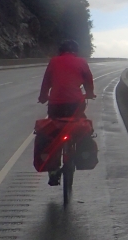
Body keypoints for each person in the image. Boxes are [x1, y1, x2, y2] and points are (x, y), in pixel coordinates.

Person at [37, 39, 96, 185]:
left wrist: (43, 97)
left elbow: (46, 82)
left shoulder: (54, 62)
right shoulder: (81, 62)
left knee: (53, 132)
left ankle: (52, 171)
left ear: (60, 51)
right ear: (75, 51)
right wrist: (89, 93)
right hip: (75, 104)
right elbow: (89, 80)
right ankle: (80, 151)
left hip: (56, 105)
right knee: (80, 125)